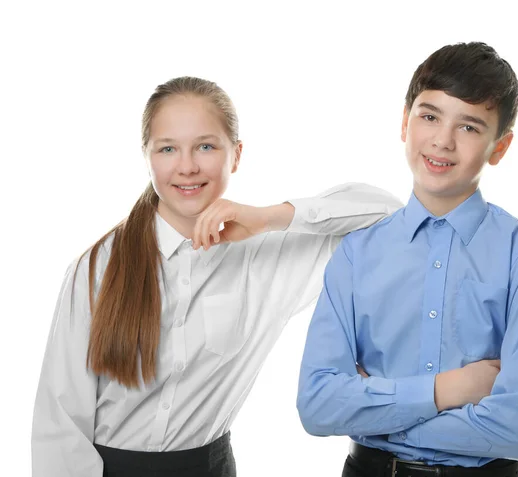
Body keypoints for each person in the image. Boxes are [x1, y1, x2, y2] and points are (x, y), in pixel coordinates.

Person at [31, 76, 403, 477]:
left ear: (236, 155)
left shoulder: (266, 257)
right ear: (147, 156)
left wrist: (268, 217)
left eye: (205, 146)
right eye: (168, 148)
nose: (187, 166)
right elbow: (60, 425)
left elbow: (387, 214)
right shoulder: (98, 267)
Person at [296, 42, 518, 477]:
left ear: (500, 146)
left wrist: (374, 411)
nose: (442, 140)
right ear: (405, 121)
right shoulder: (356, 255)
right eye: (430, 116)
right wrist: (449, 391)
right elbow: (318, 405)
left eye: (470, 127)